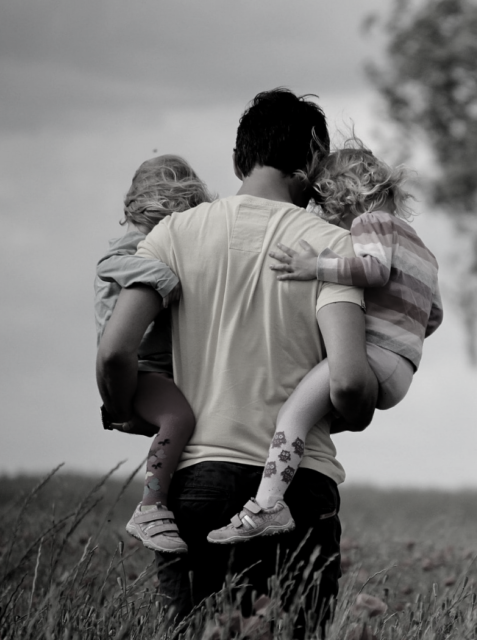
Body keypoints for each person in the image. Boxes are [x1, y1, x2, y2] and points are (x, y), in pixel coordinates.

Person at [96, 88, 378, 633]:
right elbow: (347, 382)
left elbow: (114, 349)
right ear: (313, 160)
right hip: (298, 488)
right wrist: (360, 409)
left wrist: (123, 406)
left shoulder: (171, 235)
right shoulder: (332, 247)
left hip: (196, 481)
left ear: (238, 159)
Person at [207, 139, 443, 544]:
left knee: (291, 416)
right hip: (402, 369)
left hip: (372, 356)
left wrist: (312, 265)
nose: (328, 217)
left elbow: (373, 271)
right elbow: (434, 315)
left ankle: (267, 506)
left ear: (351, 193)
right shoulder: (424, 250)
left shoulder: (372, 224)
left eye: (328, 204)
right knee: (309, 423)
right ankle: (281, 482)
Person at [95, 155, 213, 555]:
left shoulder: (155, 243)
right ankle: (150, 507)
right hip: (143, 369)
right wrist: (164, 278)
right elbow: (109, 265)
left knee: (184, 420)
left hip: (160, 368)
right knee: (179, 418)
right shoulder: (135, 246)